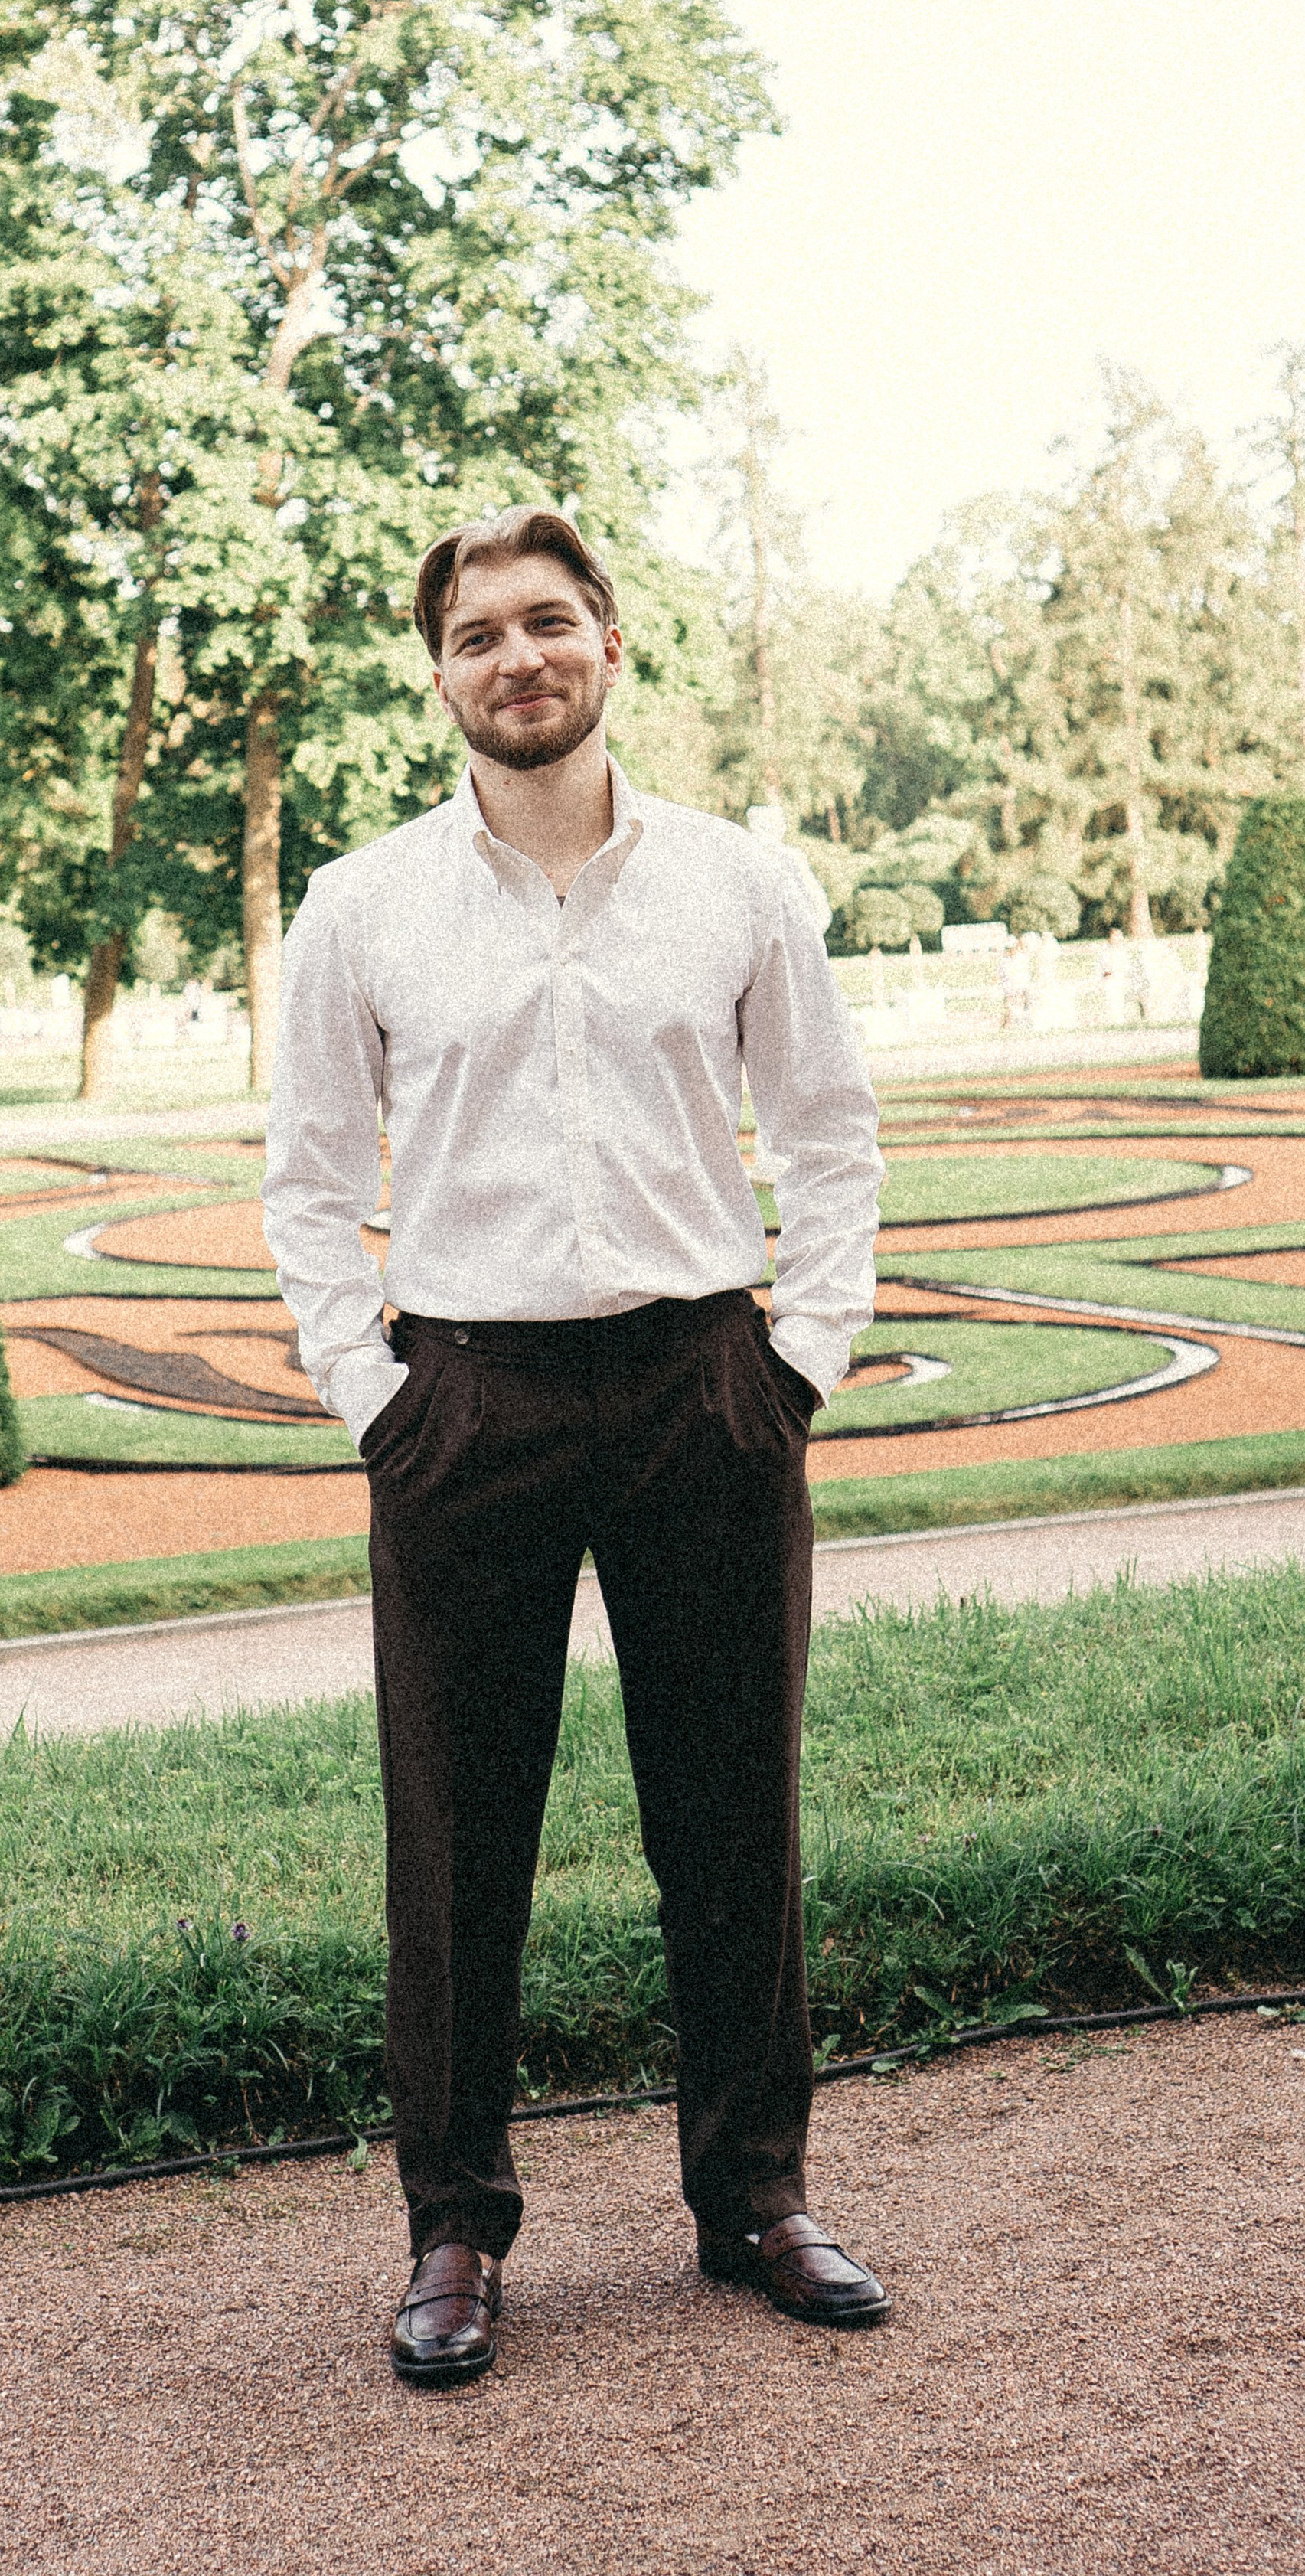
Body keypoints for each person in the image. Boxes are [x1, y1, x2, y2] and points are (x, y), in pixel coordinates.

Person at [262, 507, 889, 2389]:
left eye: (546, 622)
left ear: (608, 643)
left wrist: (799, 1362)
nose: (513, 658)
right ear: (438, 672)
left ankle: (753, 2198)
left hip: (704, 1390)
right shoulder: (361, 905)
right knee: (454, 1840)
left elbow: (832, 1137)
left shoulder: (737, 885)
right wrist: (373, 1394)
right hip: (463, 1407)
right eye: (475, 634)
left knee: (733, 1811)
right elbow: (304, 1179)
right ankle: (451, 2231)